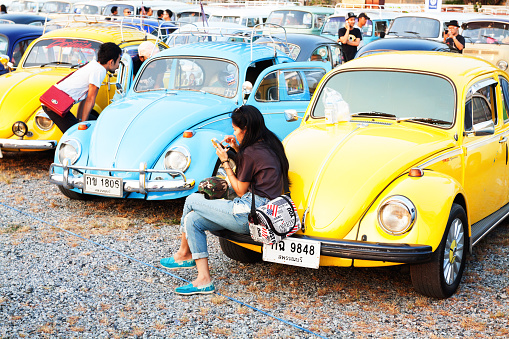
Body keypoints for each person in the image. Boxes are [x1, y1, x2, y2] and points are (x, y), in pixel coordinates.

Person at [160, 105, 289, 295]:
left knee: (191, 200)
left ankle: (183, 253)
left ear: (247, 130)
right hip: (268, 211)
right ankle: (203, 280)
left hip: (251, 215)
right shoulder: (270, 142)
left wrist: (225, 161)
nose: (234, 133)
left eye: (236, 130)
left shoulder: (252, 151)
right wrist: (237, 148)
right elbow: (255, 167)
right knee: (192, 220)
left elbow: (239, 190)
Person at [43, 42, 122, 133]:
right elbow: (90, 100)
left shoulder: (94, 65)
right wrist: (82, 125)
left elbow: (85, 99)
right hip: (55, 104)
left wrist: (80, 121)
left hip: (53, 101)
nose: (118, 65)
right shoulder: (100, 70)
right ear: (111, 62)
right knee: (75, 134)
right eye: (118, 61)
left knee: (74, 131)